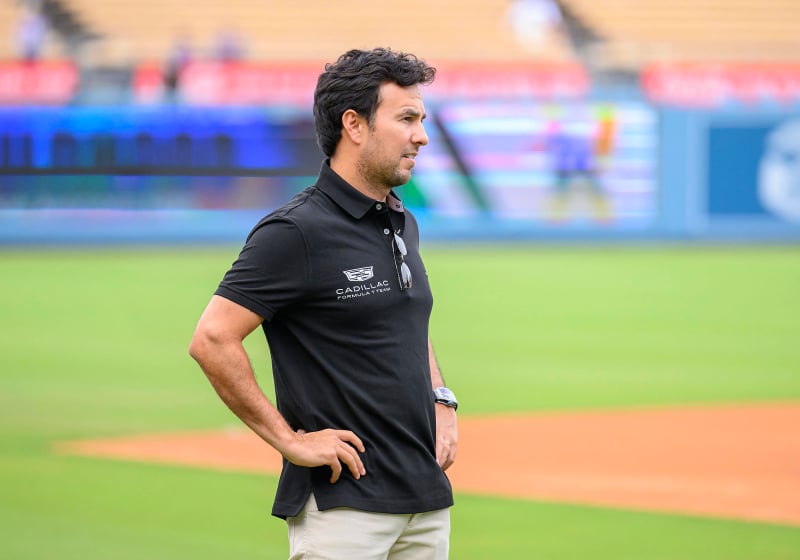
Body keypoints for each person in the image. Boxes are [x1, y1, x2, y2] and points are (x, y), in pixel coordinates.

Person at [188, 47, 458, 559]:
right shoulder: (295, 231)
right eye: (406, 119)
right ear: (353, 125)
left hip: (425, 499)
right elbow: (211, 338)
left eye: (421, 119)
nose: (421, 135)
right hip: (344, 510)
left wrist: (441, 400)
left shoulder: (400, 219)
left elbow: (406, 323)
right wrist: (289, 440)